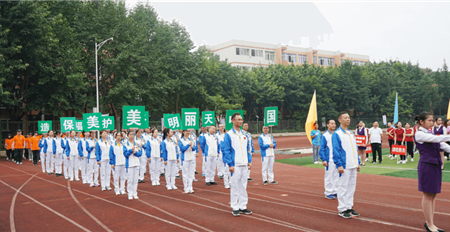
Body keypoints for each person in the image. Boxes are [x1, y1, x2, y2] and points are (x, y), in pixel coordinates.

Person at [414, 112, 450, 232]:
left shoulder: (430, 133)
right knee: (427, 195)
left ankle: (430, 222)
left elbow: (443, 146)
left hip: (435, 165)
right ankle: (429, 224)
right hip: (427, 166)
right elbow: (436, 139)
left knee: (433, 195)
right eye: (429, 120)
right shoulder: (419, 134)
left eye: (432, 120)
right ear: (421, 122)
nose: (432, 122)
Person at [223, 113, 253, 217]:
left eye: (241, 119)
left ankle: (243, 206)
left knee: (243, 186)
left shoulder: (245, 135)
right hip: (235, 165)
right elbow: (226, 150)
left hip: (244, 164)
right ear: (233, 121)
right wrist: (230, 164)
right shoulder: (229, 134)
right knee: (235, 185)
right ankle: (235, 207)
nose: (240, 121)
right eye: (238, 119)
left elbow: (248, 149)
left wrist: (249, 160)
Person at [332, 111, 361, 219]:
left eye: (349, 118)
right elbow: (336, 150)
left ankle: (349, 207)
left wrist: (357, 162)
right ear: (340, 120)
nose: (348, 119)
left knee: (351, 187)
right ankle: (342, 208)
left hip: (353, 165)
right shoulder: (337, 134)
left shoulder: (351, 133)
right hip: (344, 165)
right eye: (345, 118)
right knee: (343, 187)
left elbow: (355, 149)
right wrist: (339, 164)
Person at [319, 119, 339, 200]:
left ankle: (334, 190)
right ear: (327, 125)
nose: (333, 125)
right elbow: (322, 148)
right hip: (329, 159)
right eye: (331, 123)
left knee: (336, 176)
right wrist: (324, 159)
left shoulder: (336, 134)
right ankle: (328, 192)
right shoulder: (325, 135)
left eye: (334, 123)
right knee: (329, 176)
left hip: (336, 159)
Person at [124, 131, 142, 200]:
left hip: (137, 164)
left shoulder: (137, 144)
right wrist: (131, 151)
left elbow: (140, 153)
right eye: (130, 134)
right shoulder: (125, 144)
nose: (132, 136)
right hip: (130, 164)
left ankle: (135, 193)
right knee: (130, 180)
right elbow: (125, 154)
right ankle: (130, 193)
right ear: (127, 136)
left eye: (132, 134)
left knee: (135, 180)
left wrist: (135, 152)